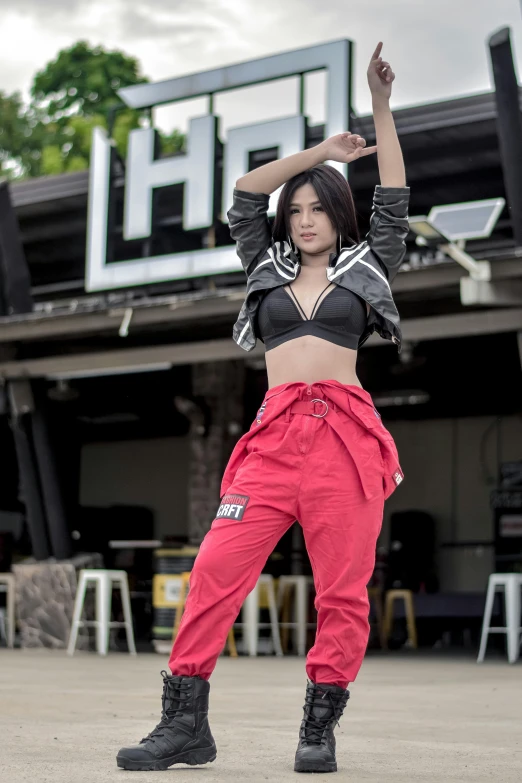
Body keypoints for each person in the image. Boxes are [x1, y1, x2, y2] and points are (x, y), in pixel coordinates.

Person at [117, 41, 409, 775]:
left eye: (319, 208)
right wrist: (320, 152)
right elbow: (247, 191)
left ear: (341, 214)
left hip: (344, 435)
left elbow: (396, 194)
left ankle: (319, 729)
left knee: (342, 590)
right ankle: (184, 724)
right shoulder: (265, 267)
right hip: (274, 438)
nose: (306, 219)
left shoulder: (368, 264)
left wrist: (379, 108)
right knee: (215, 571)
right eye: (298, 210)